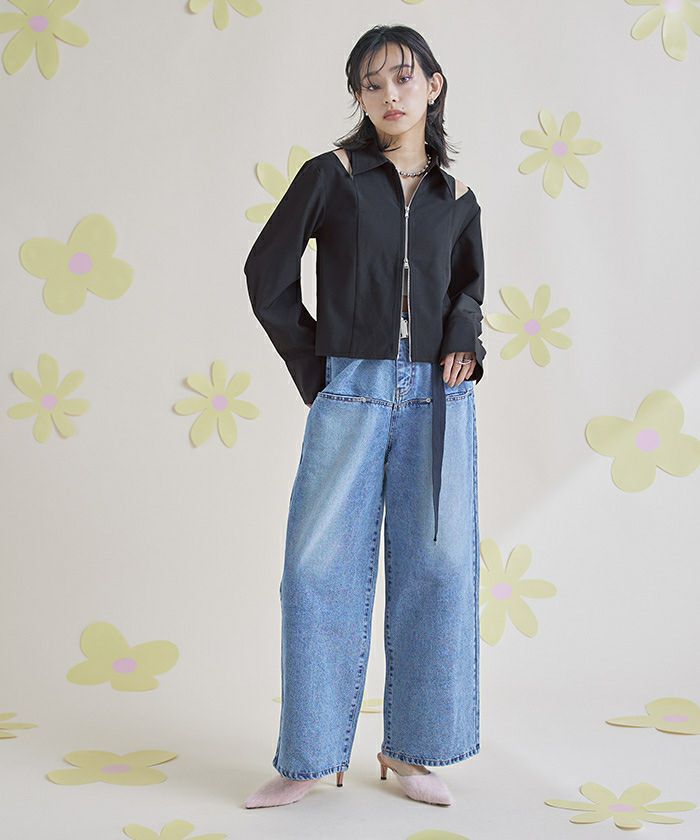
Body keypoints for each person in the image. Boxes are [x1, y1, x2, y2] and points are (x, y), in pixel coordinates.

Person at [243, 24, 485, 809]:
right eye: (372, 84)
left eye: (404, 78)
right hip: (350, 388)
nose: (390, 95)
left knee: (439, 568)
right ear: (359, 96)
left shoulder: (457, 198)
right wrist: (314, 363)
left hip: (438, 396)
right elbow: (267, 271)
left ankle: (414, 751)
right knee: (316, 569)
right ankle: (310, 756)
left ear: (433, 86)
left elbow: (469, 288)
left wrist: (464, 337)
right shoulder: (333, 176)